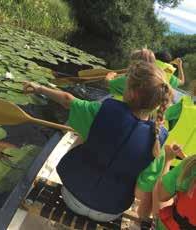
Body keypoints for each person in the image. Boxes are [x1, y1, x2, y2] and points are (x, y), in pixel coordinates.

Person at [23, 61, 173, 222]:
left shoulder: (101, 110)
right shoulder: (158, 141)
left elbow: (67, 100)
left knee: (86, 132)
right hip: (109, 212)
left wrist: (39, 88)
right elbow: (140, 193)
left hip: (71, 195)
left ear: (131, 93)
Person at [153, 147, 196, 230]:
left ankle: (146, 221)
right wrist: (186, 159)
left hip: (170, 226)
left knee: (159, 186)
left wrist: (168, 161)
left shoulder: (192, 167)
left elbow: (161, 195)